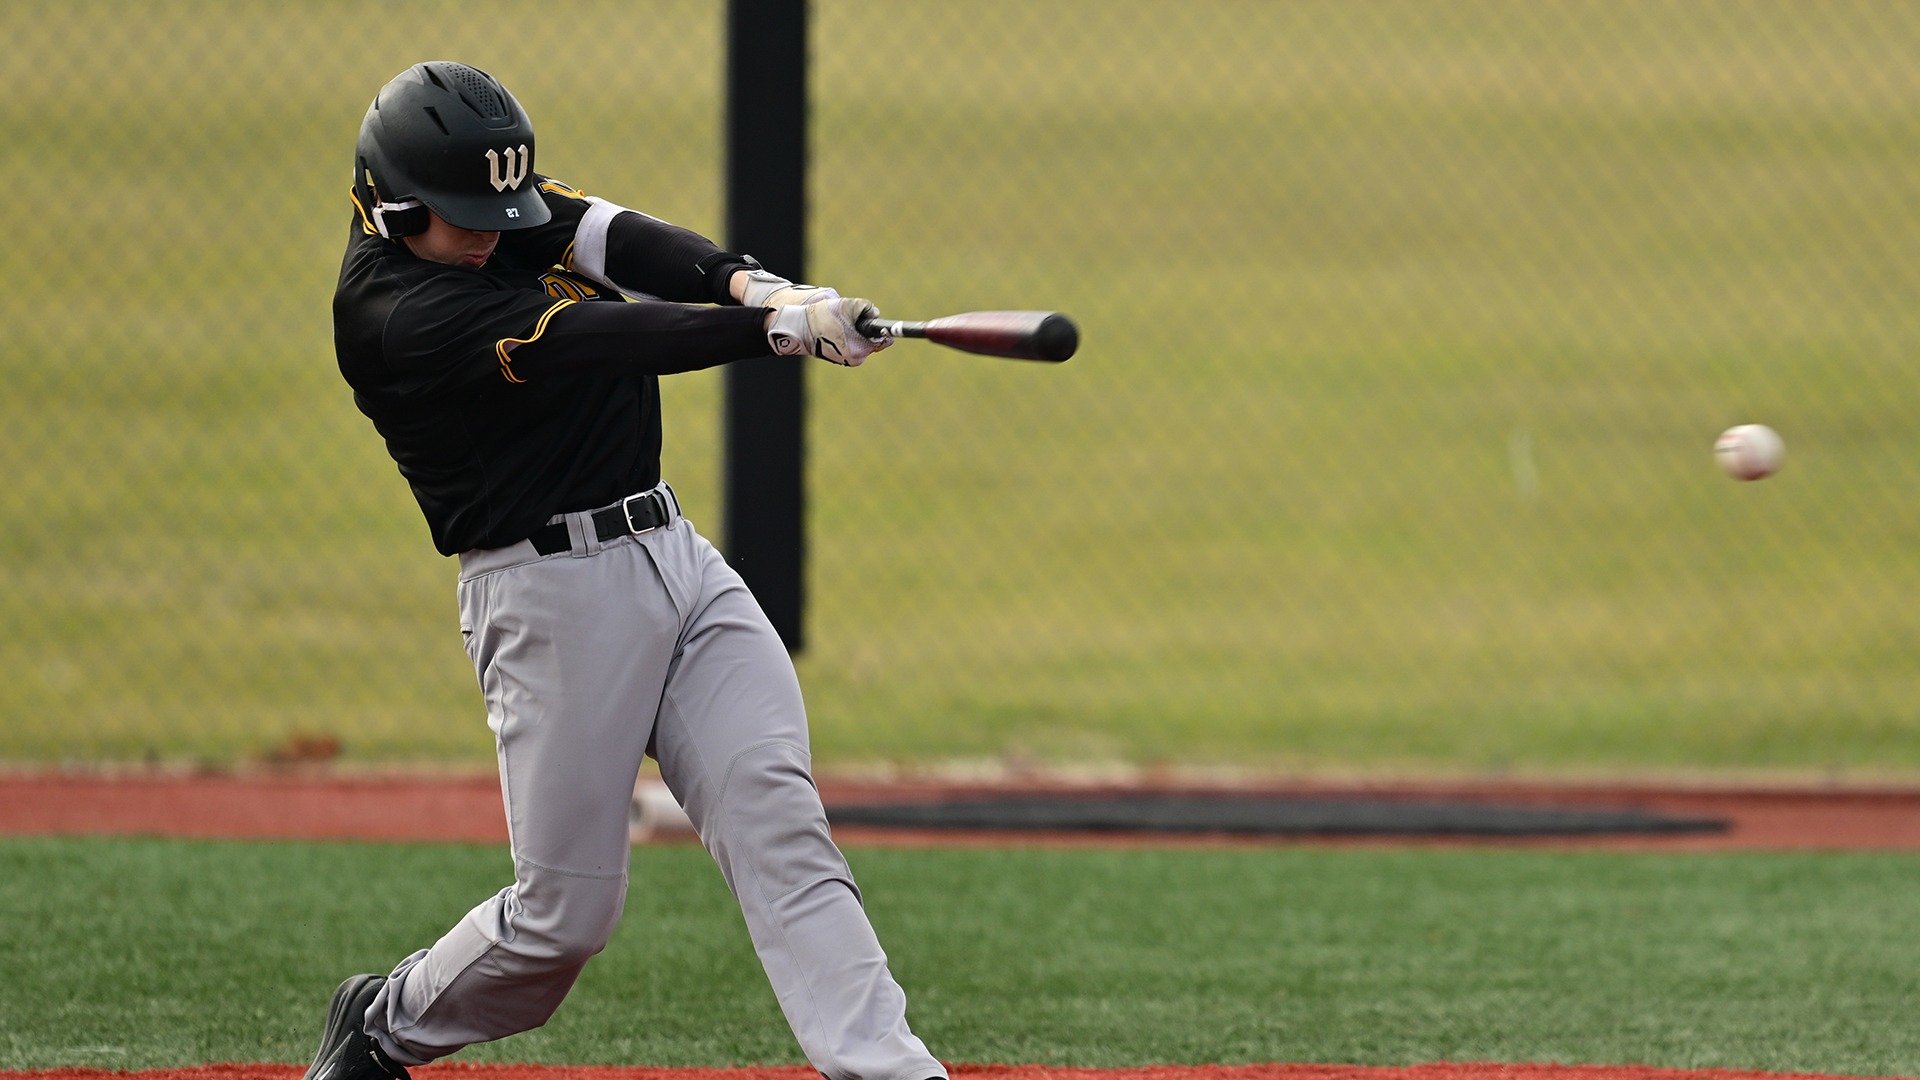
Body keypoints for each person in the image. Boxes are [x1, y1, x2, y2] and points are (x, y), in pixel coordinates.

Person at [305, 61, 944, 1080]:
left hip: (677, 562)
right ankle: (385, 1023)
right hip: (550, 599)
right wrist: (771, 330)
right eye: (464, 213)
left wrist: (756, 281)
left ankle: (887, 1068)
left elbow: (613, 237)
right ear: (392, 206)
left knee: (778, 817)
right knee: (561, 921)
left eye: (498, 206)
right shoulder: (399, 312)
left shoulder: (480, 214)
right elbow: (599, 336)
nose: (491, 230)